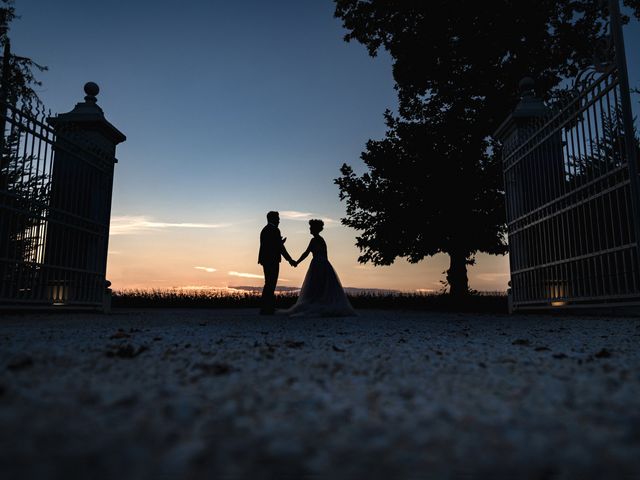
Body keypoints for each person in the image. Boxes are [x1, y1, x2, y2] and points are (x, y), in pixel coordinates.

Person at [282, 219, 356, 317]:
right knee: (318, 286)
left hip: (318, 265)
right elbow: (312, 253)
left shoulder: (316, 240)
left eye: (311, 227)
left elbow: (307, 253)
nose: (310, 229)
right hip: (321, 264)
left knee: (317, 285)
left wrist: (297, 262)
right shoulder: (319, 240)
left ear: (314, 229)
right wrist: (298, 262)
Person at [258, 211, 296, 315]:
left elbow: (271, 245)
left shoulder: (265, 230)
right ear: (273, 219)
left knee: (269, 283)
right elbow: (279, 248)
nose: (279, 220)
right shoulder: (275, 230)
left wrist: (279, 243)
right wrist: (290, 260)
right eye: (278, 218)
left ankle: (266, 307)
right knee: (271, 283)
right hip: (272, 260)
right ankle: (267, 308)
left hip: (266, 260)